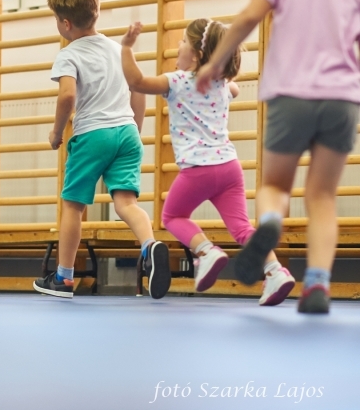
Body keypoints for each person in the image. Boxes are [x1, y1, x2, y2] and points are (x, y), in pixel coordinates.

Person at [197, 0, 360, 314]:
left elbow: (249, 17)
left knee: (274, 186)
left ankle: (269, 224)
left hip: (291, 95)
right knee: (322, 196)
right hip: (342, 100)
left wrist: (215, 63)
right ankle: (319, 285)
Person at [122, 19, 295, 305]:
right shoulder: (222, 83)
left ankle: (205, 251)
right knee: (242, 229)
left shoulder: (177, 82)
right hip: (229, 168)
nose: (177, 45)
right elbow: (234, 89)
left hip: (198, 169)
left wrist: (127, 47)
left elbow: (137, 82)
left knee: (172, 217)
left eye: (183, 41)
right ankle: (275, 271)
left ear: (197, 55)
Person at [33, 0, 171, 299]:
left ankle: (64, 277)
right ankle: (150, 246)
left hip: (92, 135)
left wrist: (56, 132)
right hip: (126, 133)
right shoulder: (117, 49)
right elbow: (138, 89)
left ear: (65, 24)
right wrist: (134, 130)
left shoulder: (69, 54)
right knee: (126, 202)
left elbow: (67, 97)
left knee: (73, 205)